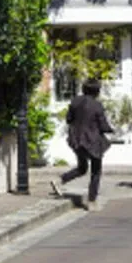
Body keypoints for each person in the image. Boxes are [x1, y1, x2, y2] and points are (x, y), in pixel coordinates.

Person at [51, 79, 113, 210]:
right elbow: (102, 124)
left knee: (82, 167)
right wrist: (109, 129)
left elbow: (69, 119)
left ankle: (60, 180)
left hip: (77, 139)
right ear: (97, 91)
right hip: (93, 141)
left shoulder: (75, 102)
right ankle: (92, 201)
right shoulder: (97, 105)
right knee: (96, 171)